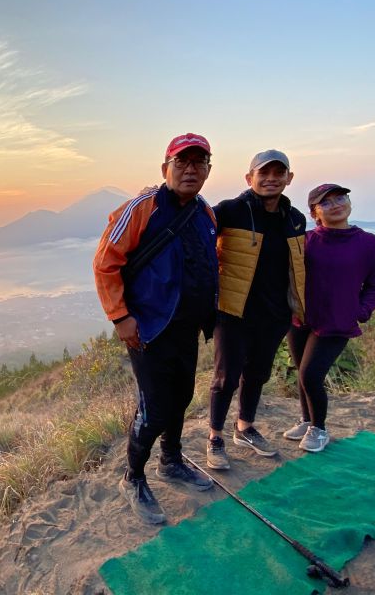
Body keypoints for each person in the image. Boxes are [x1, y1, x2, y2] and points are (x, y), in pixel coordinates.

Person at [93, 133, 219, 524]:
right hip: (146, 329)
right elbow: (104, 263)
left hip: (186, 326)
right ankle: (133, 477)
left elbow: (210, 263)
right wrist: (120, 317)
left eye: (198, 163)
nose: (190, 169)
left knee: (181, 396)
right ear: (165, 167)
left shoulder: (205, 213)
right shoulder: (142, 208)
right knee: (155, 407)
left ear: (208, 171)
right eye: (181, 162)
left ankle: (171, 460)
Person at [206, 150, 306, 470]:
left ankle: (244, 428)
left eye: (279, 173)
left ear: (289, 179)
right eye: (264, 173)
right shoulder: (230, 211)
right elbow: (196, 233)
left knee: (258, 374)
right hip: (232, 312)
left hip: (275, 314)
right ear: (249, 178)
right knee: (226, 376)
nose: (271, 179)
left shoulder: (295, 219)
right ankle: (215, 437)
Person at [283, 184, 375, 452]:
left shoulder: (368, 244)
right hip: (301, 319)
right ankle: (306, 420)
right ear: (315, 212)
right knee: (301, 372)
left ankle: (319, 429)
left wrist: (360, 311)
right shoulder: (305, 241)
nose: (336, 205)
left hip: (337, 322)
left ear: (349, 203)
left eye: (340, 198)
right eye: (326, 203)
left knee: (310, 375)